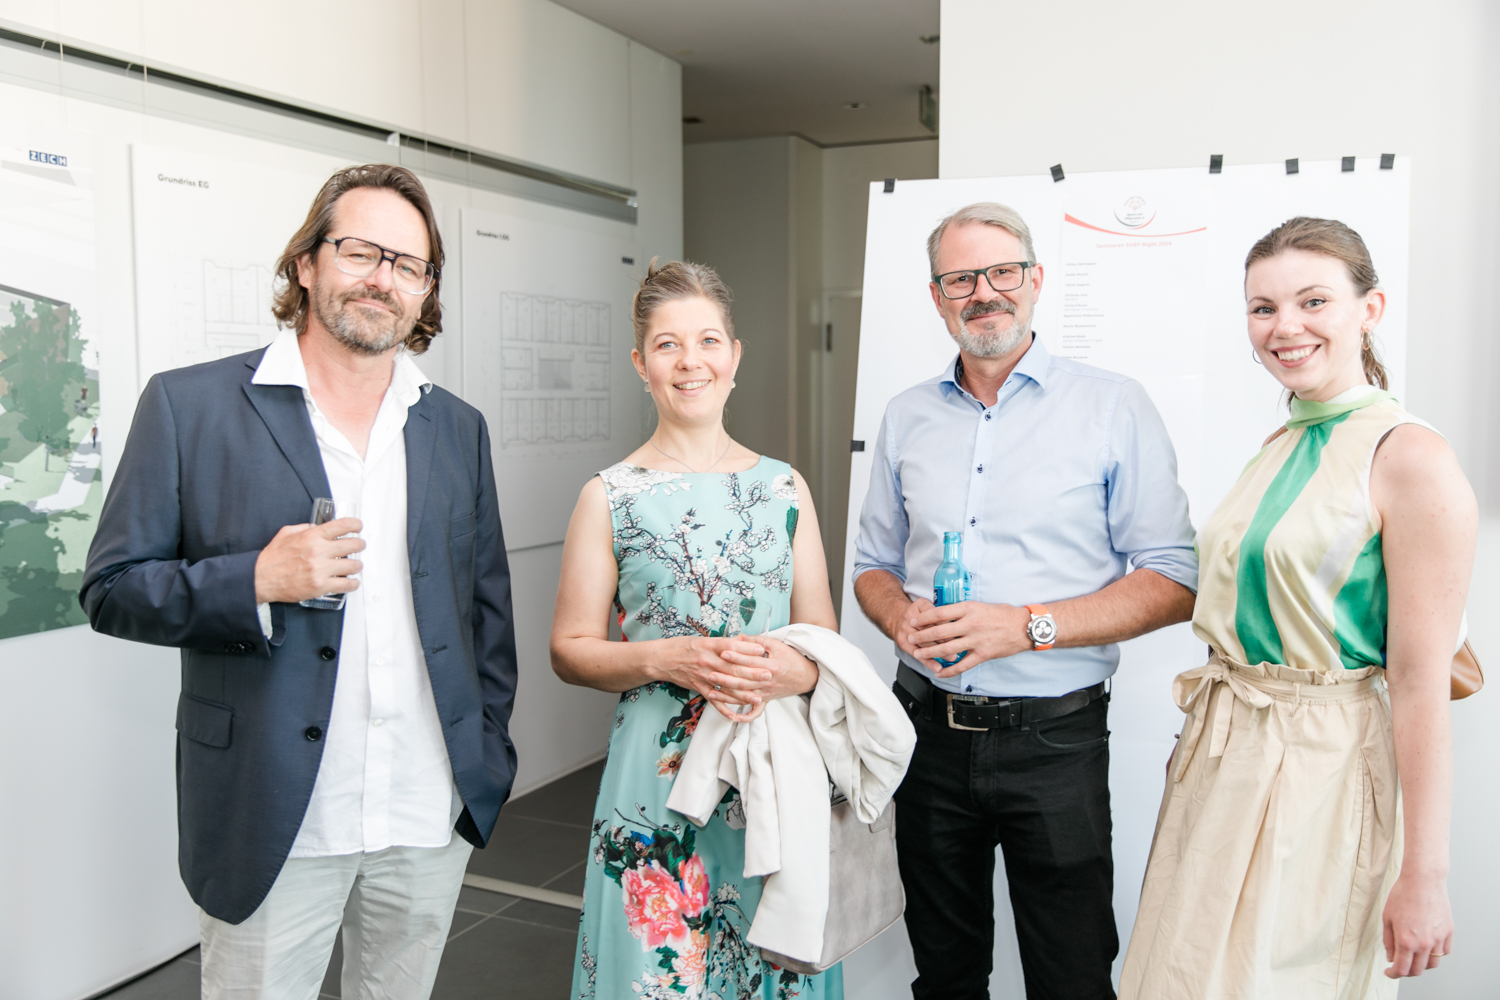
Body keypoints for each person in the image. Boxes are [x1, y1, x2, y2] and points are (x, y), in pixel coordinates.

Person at [80, 164, 519, 1000]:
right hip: (272, 812)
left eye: (409, 265)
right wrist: (255, 578)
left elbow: (485, 614)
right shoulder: (190, 406)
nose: (382, 278)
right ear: (307, 262)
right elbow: (111, 588)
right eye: (361, 251)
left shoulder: (456, 427)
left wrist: (487, 752)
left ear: (426, 293)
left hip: (425, 808)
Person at [1119, 217, 1475, 998]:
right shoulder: (1280, 444)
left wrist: (1425, 875)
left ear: (1370, 309)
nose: (1285, 327)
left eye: (1313, 301)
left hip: (1323, 770)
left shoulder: (1409, 456)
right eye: (1263, 307)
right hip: (1222, 760)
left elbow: (1421, 682)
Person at [852, 202, 1199, 1000]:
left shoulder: (1114, 405)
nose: (984, 292)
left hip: (1056, 743)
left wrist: (1027, 627)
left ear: (1036, 280)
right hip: (926, 736)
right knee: (945, 975)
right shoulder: (906, 415)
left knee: (1071, 976)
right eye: (960, 279)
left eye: (1002, 271)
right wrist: (897, 616)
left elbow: (1174, 578)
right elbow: (873, 564)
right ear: (938, 297)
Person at [551, 259, 844, 1000]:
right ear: (640, 364)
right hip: (658, 771)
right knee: (659, 974)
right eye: (668, 345)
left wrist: (792, 671)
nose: (690, 362)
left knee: (769, 961)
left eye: (708, 341)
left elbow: (823, 640)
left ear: (735, 356)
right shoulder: (609, 495)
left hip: (769, 766)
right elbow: (570, 650)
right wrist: (665, 658)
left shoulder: (784, 486)